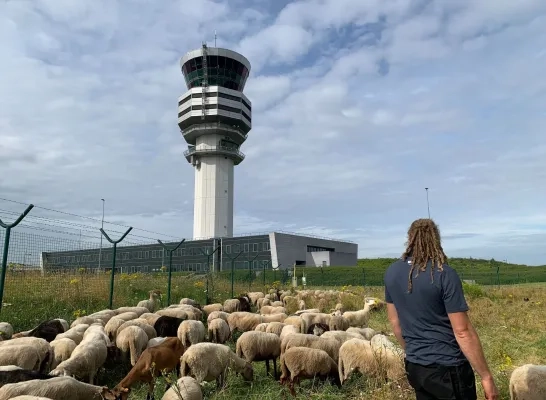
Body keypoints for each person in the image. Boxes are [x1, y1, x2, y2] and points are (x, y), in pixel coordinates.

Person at [384, 218, 499, 400]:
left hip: (415, 366)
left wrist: (413, 351)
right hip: (448, 369)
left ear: (410, 238)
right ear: (436, 239)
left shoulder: (392, 272)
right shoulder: (444, 274)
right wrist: (486, 376)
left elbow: (394, 322)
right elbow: (462, 331)